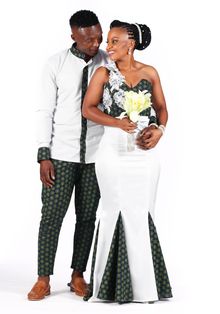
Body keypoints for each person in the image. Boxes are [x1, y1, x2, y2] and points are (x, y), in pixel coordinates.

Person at [82, 20, 173, 303]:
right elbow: (87, 108)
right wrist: (116, 123)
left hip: (144, 155)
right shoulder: (103, 73)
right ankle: (109, 286)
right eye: (108, 41)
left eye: (114, 41)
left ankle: (144, 288)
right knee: (115, 209)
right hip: (113, 151)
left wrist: (159, 130)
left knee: (142, 210)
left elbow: (162, 110)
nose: (107, 47)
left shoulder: (150, 73)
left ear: (130, 44)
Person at [27, 10, 108, 301]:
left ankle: (78, 275)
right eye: (88, 39)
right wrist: (43, 154)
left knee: (87, 217)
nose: (95, 43)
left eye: (98, 36)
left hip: (96, 156)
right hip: (60, 154)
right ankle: (42, 278)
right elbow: (45, 110)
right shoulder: (55, 64)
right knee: (51, 218)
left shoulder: (107, 62)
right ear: (73, 35)